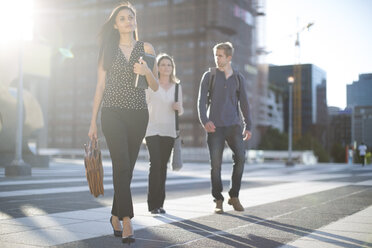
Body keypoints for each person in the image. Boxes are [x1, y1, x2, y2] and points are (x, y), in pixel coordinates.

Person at [88, 2, 158, 244]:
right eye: (122, 19)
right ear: (116, 26)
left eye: (131, 17)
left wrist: (146, 69)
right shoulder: (107, 49)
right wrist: (93, 123)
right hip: (112, 113)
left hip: (139, 114)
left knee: (126, 169)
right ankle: (127, 220)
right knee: (121, 165)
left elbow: (156, 85)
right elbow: (99, 86)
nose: (128, 21)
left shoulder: (145, 47)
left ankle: (115, 215)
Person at [197, 42, 252, 214]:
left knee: (241, 159)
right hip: (215, 127)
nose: (217, 58)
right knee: (216, 165)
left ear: (229, 57)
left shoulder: (238, 78)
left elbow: (244, 103)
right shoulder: (209, 76)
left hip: (234, 126)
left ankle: (233, 196)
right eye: (216, 55)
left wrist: (248, 125)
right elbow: (201, 101)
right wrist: (205, 120)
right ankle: (218, 199)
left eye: (220, 55)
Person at [145, 53, 184, 214]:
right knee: (155, 165)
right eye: (162, 64)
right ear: (158, 68)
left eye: (169, 65)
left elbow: (180, 110)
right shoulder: (150, 85)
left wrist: (178, 108)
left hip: (169, 131)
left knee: (163, 167)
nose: (166, 67)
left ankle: (160, 204)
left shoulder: (177, 87)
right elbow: (143, 105)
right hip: (152, 129)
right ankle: (152, 205)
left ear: (172, 68)